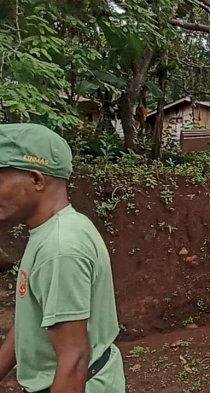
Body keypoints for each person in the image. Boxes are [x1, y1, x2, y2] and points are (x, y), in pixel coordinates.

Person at [0, 123, 125, 393]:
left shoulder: (60, 249)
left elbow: (74, 359)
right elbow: (29, 322)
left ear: (36, 179)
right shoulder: (55, 229)